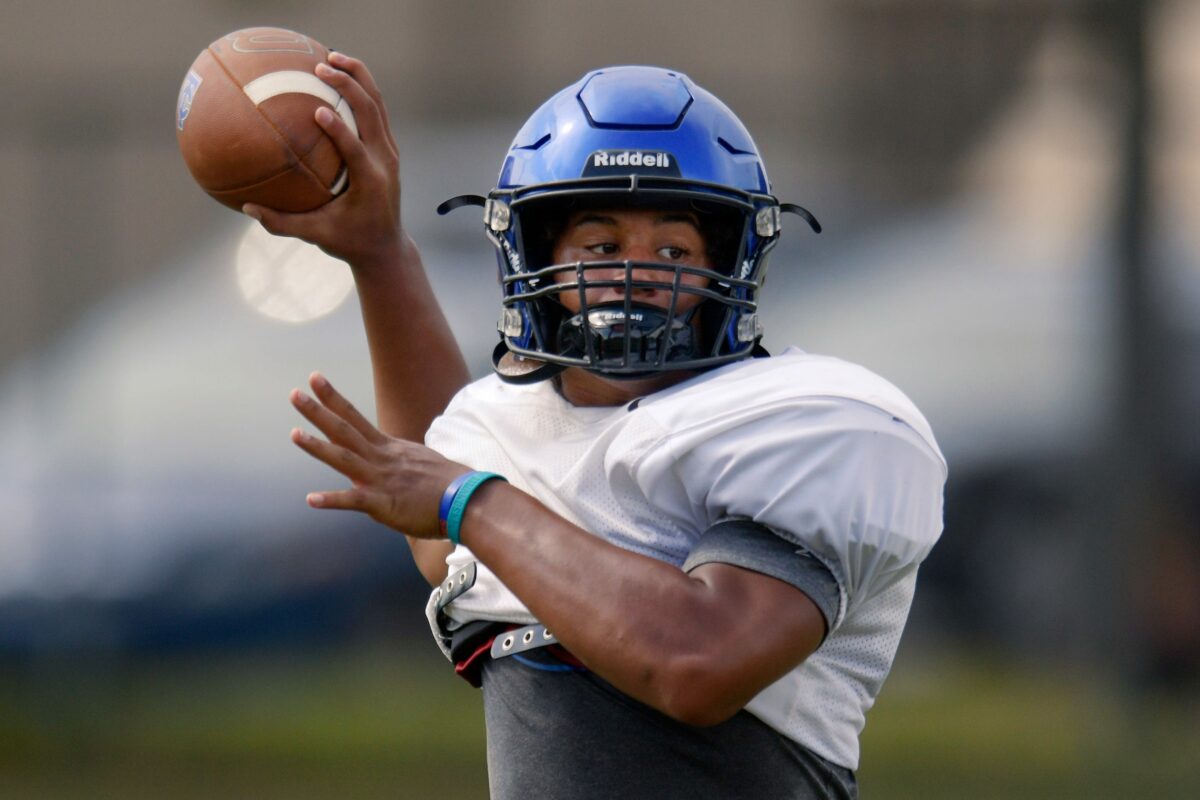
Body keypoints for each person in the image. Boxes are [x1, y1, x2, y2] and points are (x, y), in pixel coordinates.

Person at [245, 55, 946, 799]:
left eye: (674, 250)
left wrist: (471, 501)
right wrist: (379, 253)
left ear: (731, 266)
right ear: (533, 252)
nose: (639, 271)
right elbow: (449, 523)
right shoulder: (513, 437)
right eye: (601, 246)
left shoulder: (803, 423)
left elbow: (697, 664)